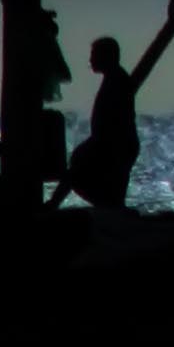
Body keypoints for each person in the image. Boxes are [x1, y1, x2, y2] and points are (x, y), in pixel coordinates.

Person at [61, 33, 141, 214]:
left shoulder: (117, 81)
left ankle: (112, 210)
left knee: (78, 174)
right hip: (115, 146)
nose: (91, 60)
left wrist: (96, 143)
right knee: (83, 176)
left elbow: (115, 122)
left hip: (115, 147)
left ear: (107, 56)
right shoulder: (116, 78)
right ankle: (112, 210)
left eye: (94, 55)